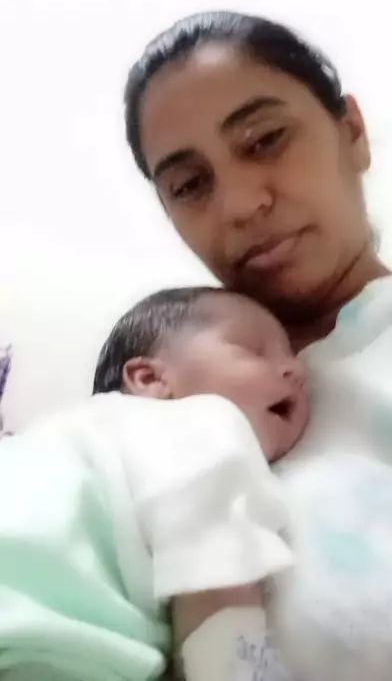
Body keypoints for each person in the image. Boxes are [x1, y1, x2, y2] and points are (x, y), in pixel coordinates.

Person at [122, 11, 392, 681]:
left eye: (265, 140)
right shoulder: (159, 409)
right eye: (190, 184)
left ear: (353, 132)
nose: (240, 203)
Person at [0, 286, 302, 681]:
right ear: (149, 378)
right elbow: (218, 591)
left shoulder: (61, 436)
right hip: (42, 645)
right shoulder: (206, 422)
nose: (295, 370)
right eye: (254, 350)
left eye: (291, 356)